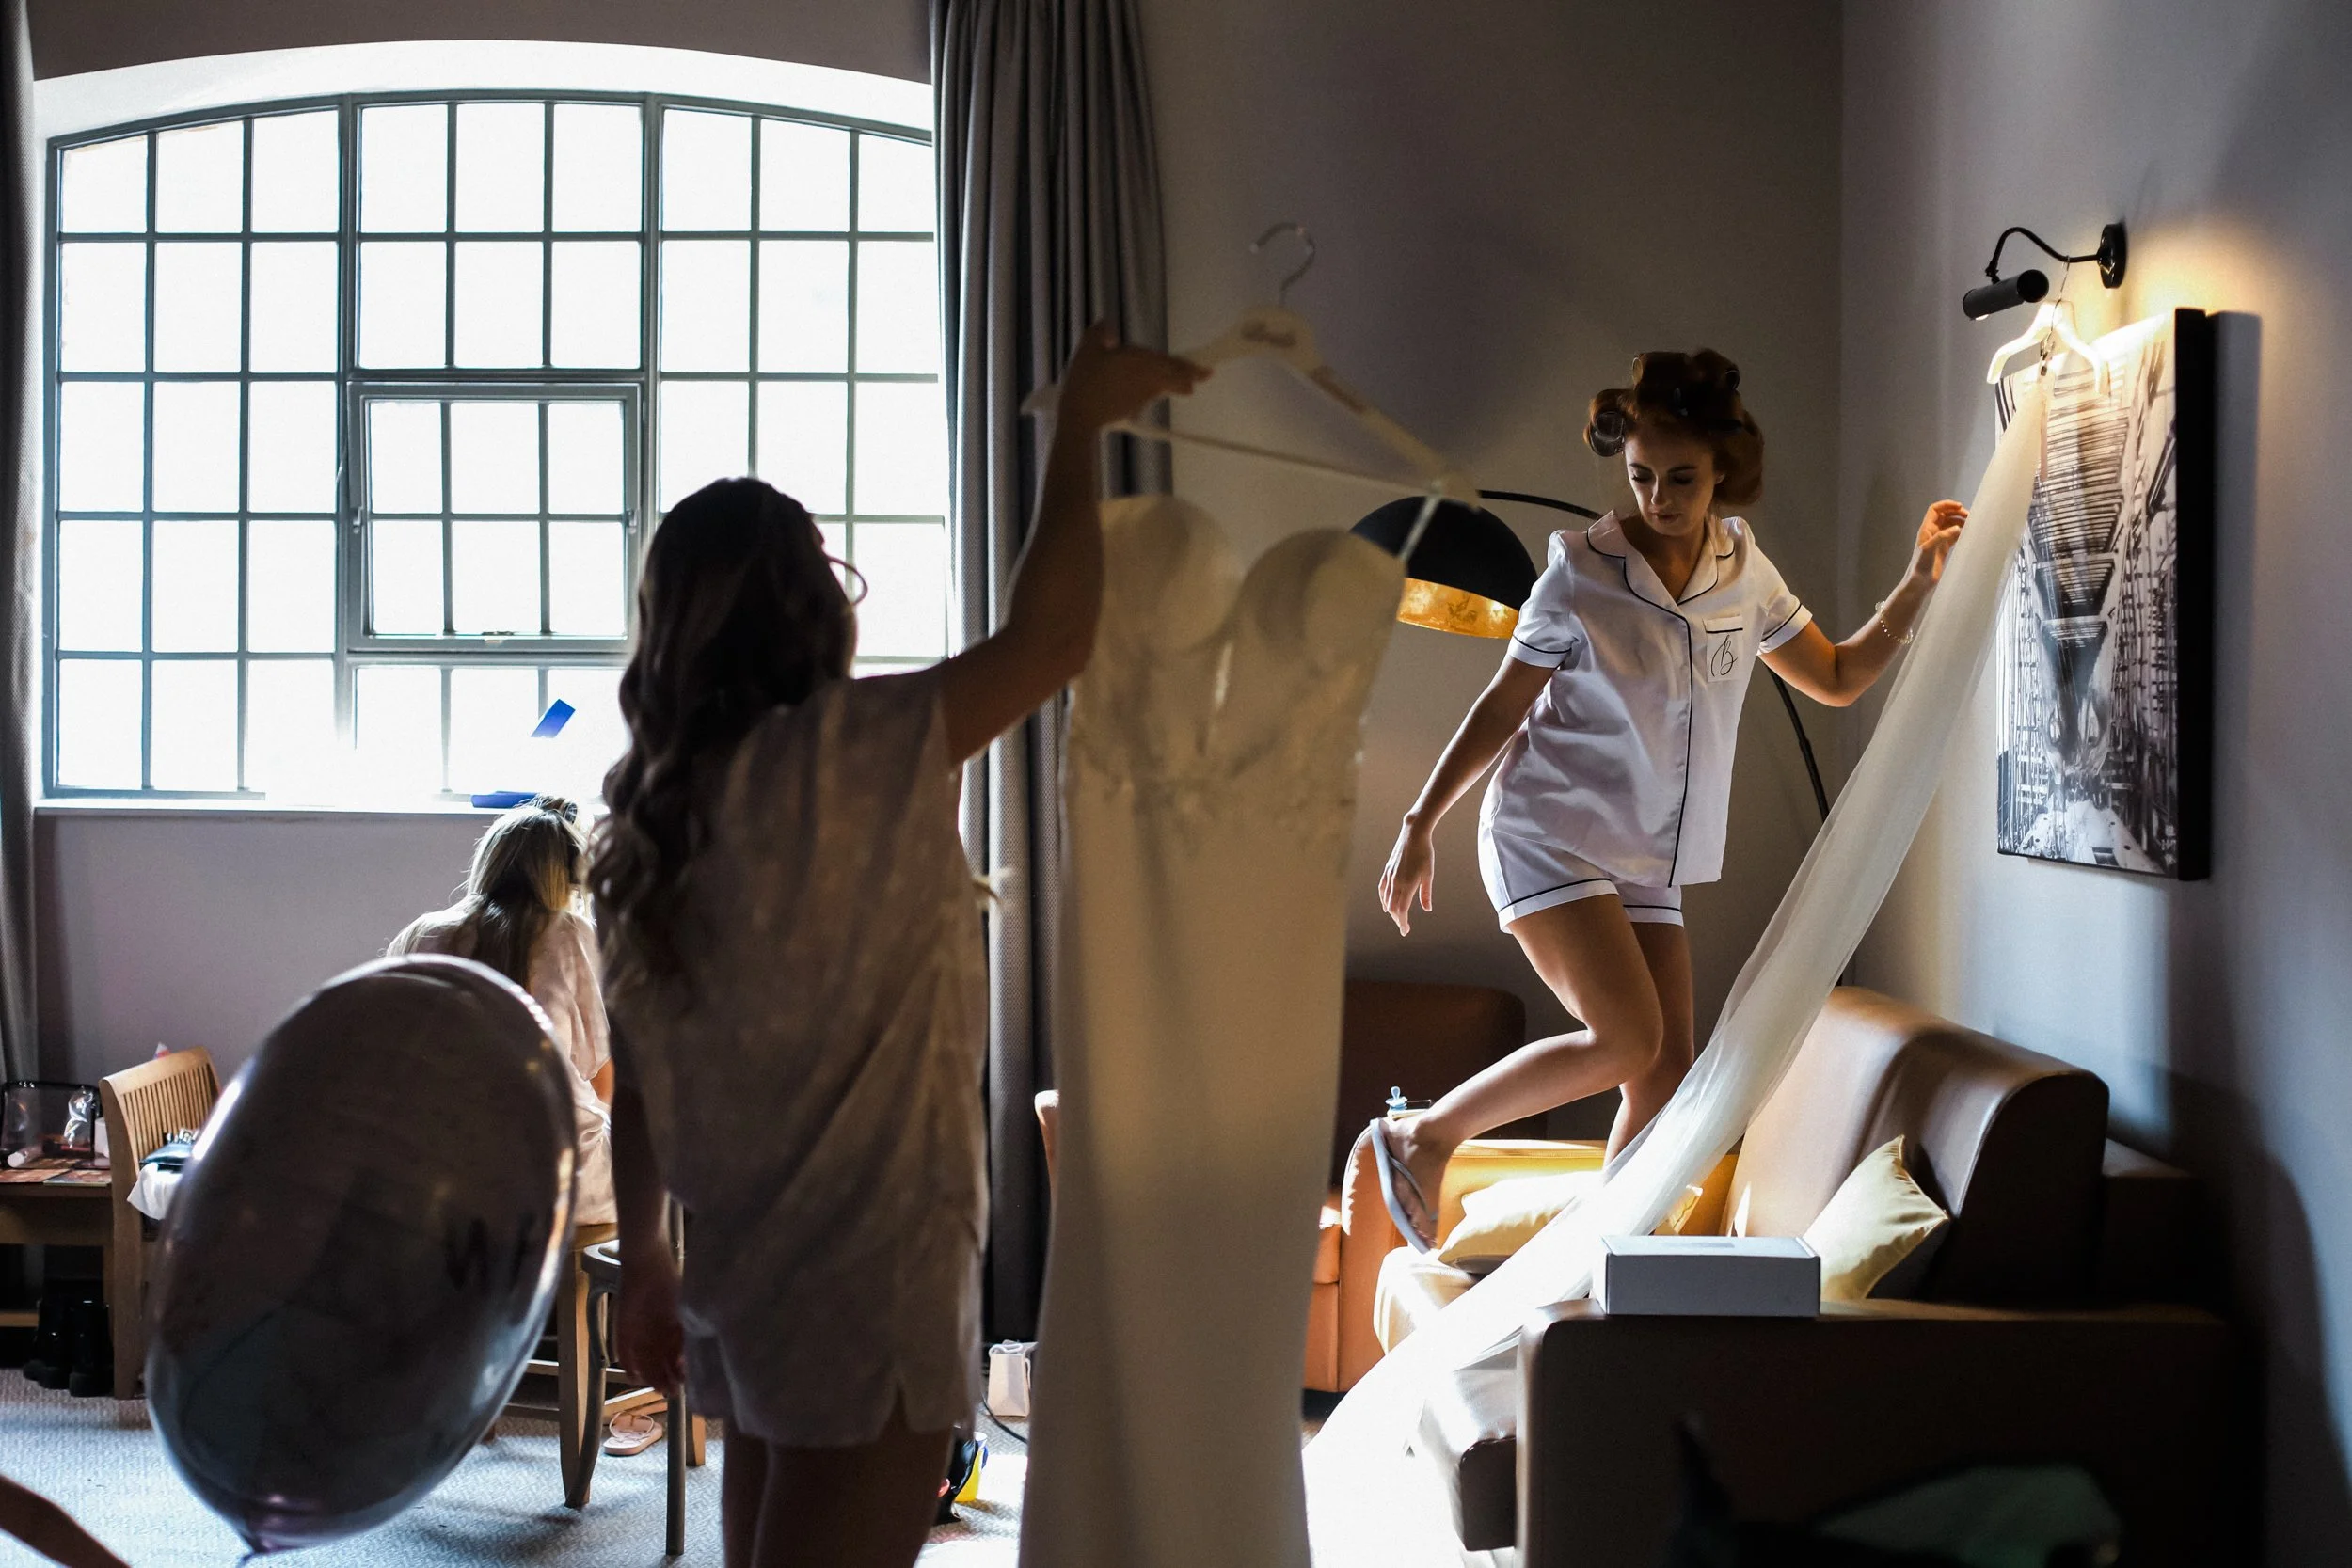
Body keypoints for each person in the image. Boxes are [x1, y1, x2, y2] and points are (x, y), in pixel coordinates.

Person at [596, 325, 1205, 1568]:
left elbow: (641, 1076)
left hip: (743, 1274)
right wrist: (1078, 429)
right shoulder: (866, 747)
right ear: (813, 606)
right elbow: (1052, 644)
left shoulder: (650, 818)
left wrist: (648, 1257)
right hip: (874, 1280)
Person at [1370, 349, 1968, 1250]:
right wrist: (1421, 821)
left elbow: (1839, 677)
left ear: (1723, 470)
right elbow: (1503, 702)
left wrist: (1918, 584)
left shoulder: (1745, 573)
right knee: (1623, 1041)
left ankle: (1611, 1259)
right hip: (1551, 833)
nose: (1658, 496)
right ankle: (1423, 1133)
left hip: (1651, 853)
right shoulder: (1581, 573)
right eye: (1642, 475)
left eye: (1680, 477)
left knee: (1667, 1071)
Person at [388, 794, 614, 1225]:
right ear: (566, 879)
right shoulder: (572, 936)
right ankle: (586, 1291)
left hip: (442, 1181)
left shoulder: (422, 935)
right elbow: (603, 1086)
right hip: (564, 1184)